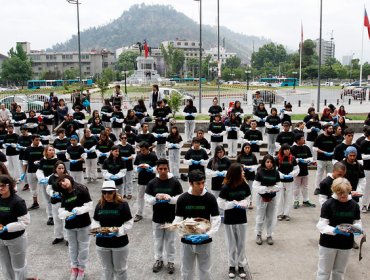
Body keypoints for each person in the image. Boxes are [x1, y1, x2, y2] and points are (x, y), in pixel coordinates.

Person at [173, 170, 221, 280]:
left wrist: (208, 235)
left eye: (203, 183)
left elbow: (216, 219)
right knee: (186, 270)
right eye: (198, 183)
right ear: (190, 183)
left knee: (205, 270)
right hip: (187, 241)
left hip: (204, 241)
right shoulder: (182, 199)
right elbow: (178, 220)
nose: (201, 186)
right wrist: (183, 234)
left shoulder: (210, 198)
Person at [316, 178, 362, 280]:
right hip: (328, 244)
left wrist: (354, 229)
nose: (343, 195)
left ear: (349, 190)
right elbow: (321, 225)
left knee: (339, 272)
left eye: (345, 192)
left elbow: (358, 223)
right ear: (334, 191)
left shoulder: (354, 205)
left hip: (345, 244)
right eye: (339, 193)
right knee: (323, 272)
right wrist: (334, 230)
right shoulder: (328, 204)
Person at [144, 158, 183, 274]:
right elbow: (147, 198)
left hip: (171, 217)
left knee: (170, 241)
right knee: (158, 240)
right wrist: (155, 198)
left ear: (168, 169)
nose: (163, 171)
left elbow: (180, 198)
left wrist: (170, 199)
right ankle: (158, 260)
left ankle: (171, 261)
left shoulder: (175, 182)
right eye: (160, 169)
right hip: (157, 217)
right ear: (157, 169)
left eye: (165, 168)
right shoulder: (152, 182)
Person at [92, 180, 133, 280]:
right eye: (104, 192)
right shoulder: (99, 205)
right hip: (102, 243)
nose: (107, 195)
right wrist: (97, 230)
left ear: (114, 192)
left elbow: (129, 223)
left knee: (120, 269)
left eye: (109, 192)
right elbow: (95, 221)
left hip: (119, 243)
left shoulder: (123, 204)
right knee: (106, 269)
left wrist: (118, 231)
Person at [217, 163, 251, 279]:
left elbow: (248, 198)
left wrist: (244, 203)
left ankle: (241, 265)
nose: (243, 173)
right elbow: (220, 203)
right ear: (236, 173)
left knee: (241, 244)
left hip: (242, 218)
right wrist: (232, 204)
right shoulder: (226, 187)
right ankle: (231, 265)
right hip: (230, 219)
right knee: (231, 244)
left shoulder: (245, 185)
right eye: (241, 171)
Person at [57, 174, 93, 280]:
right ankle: (74, 268)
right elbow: (62, 208)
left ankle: (81, 269)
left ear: (68, 177)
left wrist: (78, 210)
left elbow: (89, 205)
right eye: (60, 183)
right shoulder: (63, 194)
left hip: (84, 224)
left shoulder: (81, 189)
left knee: (83, 248)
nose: (63, 183)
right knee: (72, 248)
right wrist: (63, 214)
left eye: (64, 180)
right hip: (70, 225)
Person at [0, 174, 30, 280]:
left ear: (10, 186)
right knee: (6, 267)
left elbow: (25, 222)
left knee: (19, 267)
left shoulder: (18, 201)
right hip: (1, 239)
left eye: (3, 185)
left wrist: (7, 228)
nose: (0, 188)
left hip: (16, 239)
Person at [253, 154, 281, 245]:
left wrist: (271, 189)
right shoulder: (260, 172)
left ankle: (269, 235)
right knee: (260, 216)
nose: (269, 164)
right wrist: (266, 189)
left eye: (271, 162)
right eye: (267, 162)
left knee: (270, 217)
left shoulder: (276, 173)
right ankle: (258, 234)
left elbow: (279, 185)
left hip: (272, 197)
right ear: (264, 163)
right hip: (261, 197)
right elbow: (255, 186)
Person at [133, 141, 158, 222]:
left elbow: (157, 168)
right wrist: (138, 169)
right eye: (141, 150)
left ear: (148, 149)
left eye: (143, 150)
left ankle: (155, 214)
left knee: (152, 197)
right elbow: (135, 166)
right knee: (140, 197)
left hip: (151, 180)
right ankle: (139, 213)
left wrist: (151, 169)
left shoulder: (153, 156)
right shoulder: (139, 156)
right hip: (141, 180)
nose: (142, 151)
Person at [35, 145, 59, 226]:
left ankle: (57, 216)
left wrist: (48, 178)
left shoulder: (56, 160)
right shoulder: (42, 160)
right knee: (47, 200)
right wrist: (41, 178)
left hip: (53, 183)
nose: (52, 151)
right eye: (50, 150)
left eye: (53, 150)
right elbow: (40, 170)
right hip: (44, 183)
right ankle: (50, 216)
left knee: (54, 199)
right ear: (46, 151)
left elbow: (57, 172)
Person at [290, 134, 315, 209]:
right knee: (296, 187)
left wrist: (306, 160)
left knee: (305, 187)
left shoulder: (306, 147)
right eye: (302, 138)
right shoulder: (293, 148)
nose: (304, 140)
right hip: (297, 170)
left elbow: (311, 158)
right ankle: (296, 201)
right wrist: (298, 160)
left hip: (305, 170)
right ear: (297, 140)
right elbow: (291, 159)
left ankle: (305, 200)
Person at [276, 144, 300, 221]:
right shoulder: (277, 159)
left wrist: (291, 174)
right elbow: (275, 170)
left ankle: (286, 214)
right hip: (280, 181)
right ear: (282, 150)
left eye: (288, 149)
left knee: (288, 197)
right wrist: (282, 175)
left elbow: (297, 169)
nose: (287, 151)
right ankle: (279, 213)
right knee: (280, 197)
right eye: (285, 150)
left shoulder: (292, 158)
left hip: (289, 181)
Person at [46, 161, 68, 245]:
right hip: (55, 202)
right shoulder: (51, 178)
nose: (61, 170)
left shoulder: (67, 177)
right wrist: (53, 193)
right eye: (59, 168)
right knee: (56, 219)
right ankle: (58, 236)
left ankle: (67, 238)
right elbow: (48, 189)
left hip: (65, 202)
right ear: (55, 169)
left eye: (62, 168)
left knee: (65, 220)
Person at [23, 134, 45, 212]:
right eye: (36, 140)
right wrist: (24, 173)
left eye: (39, 140)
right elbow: (25, 161)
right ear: (32, 140)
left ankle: (49, 203)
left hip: (41, 171)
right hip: (31, 171)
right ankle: (35, 203)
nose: (38, 141)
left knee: (45, 188)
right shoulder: (28, 149)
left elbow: (46, 159)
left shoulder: (42, 148)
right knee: (33, 188)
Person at [313, 124, 337, 195]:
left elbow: (336, 147)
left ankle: (328, 188)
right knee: (319, 174)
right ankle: (317, 188)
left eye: (332, 129)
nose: (332, 130)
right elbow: (314, 148)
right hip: (321, 159)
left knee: (329, 174)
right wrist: (324, 152)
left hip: (330, 159)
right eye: (330, 129)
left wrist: (333, 152)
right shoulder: (319, 137)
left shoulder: (333, 138)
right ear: (325, 129)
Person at [237, 143, 258, 209]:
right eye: (246, 147)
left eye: (248, 148)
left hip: (251, 175)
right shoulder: (240, 156)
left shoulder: (253, 156)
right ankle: (243, 201)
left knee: (250, 189)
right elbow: (237, 165)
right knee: (242, 188)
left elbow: (256, 166)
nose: (247, 149)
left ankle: (250, 202)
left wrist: (250, 168)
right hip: (242, 175)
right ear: (243, 148)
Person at [118, 133, 136, 199]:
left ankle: (129, 193)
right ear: (120, 139)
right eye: (122, 138)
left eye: (125, 138)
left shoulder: (129, 146)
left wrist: (128, 158)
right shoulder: (118, 146)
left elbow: (134, 155)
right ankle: (123, 193)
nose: (124, 139)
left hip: (129, 166)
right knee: (122, 181)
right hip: (121, 166)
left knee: (129, 181)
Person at [359, 126, 370, 212]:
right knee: (366, 187)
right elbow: (360, 156)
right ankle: (364, 205)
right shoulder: (364, 143)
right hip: (367, 169)